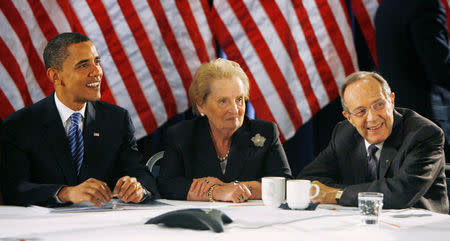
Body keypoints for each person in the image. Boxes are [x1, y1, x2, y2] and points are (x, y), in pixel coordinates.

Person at [0, 32, 159, 207]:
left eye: (97, 62)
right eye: (83, 65)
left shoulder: (116, 119)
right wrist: (65, 193)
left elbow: (144, 176)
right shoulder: (20, 125)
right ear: (55, 76)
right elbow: (13, 189)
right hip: (42, 227)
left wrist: (138, 189)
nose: (97, 71)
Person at [298, 71, 449, 214]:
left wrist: (337, 194)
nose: (372, 118)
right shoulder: (344, 134)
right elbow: (308, 181)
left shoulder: (423, 134)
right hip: (361, 226)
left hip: (419, 231)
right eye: (361, 111)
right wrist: (342, 193)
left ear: (391, 100)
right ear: (349, 117)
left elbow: (400, 194)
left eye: (379, 105)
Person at [157, 58, 292, 203]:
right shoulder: (181, 135)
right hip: (201, 220)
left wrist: (236, 188)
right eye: (223, 101)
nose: (234, 110)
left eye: (239, 99)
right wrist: (216, 192)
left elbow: (284, 184)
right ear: (201, 104)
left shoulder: (265, 132)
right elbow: (166, 185)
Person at [375, 0, 450, 162]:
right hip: (430, 118)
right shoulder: (424, 5)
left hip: (400, 119)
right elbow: (440, 69)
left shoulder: (387, 6)